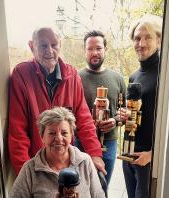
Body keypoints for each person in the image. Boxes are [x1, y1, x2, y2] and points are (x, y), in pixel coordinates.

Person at [8, 27, 105, 176]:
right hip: (37, 165)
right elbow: (18, 131)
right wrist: (25, 175)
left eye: (54, 45)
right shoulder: (21, 75)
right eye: (43, 45)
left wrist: (95, 154)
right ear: (32, 46)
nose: (49, 50)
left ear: (60, 45)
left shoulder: (72, 75)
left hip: (65, 162)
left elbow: (84, 120)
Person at [10, 107, 105, 198]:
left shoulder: (85, 161)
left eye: (64, 133)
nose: (59, 139)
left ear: (71, 136)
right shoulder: (29, 170)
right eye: (52, 133)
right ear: (42, 136)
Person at [120, 15, 163, 198]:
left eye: (148, 37)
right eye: (137, 38)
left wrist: (153, 155)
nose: (141, 43)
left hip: (148, 159)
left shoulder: (165, 73)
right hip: (129, 154)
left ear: (159, 40)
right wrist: (123, 115)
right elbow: (137, 114)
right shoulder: (134, 76)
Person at [78, 30, 126, 185]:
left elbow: (125, 112)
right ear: (84, 51)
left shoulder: (118, 79)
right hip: (80, 143)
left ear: (105, 50)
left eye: (98, 48)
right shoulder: (75, 78)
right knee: (81, 188)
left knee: (103, 186)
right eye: (90, 49)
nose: (94, 52)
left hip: (109, 143)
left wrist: (115, 120)